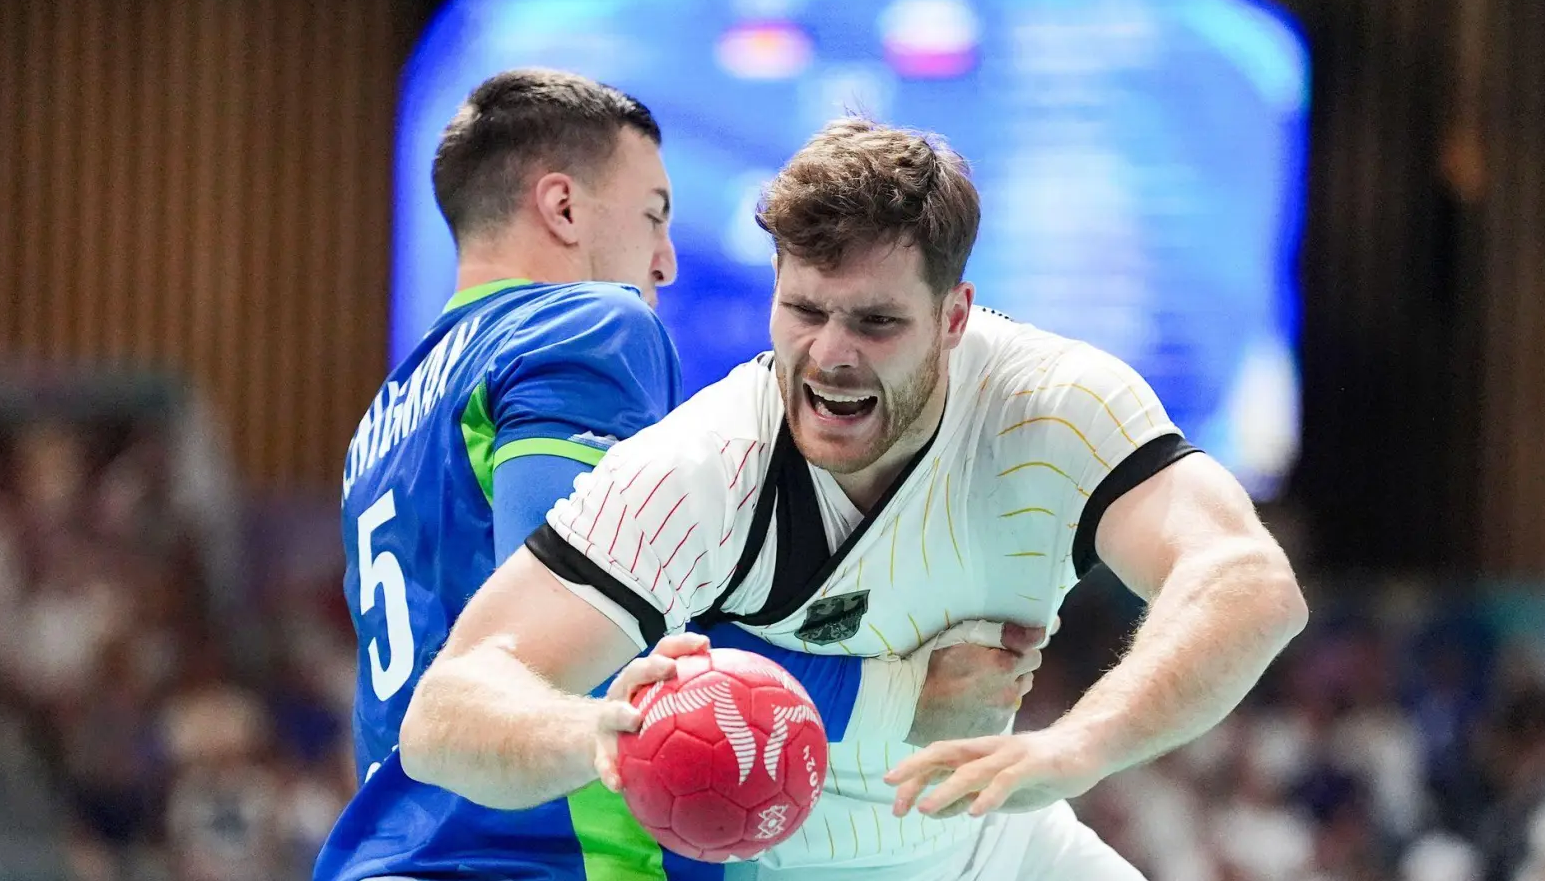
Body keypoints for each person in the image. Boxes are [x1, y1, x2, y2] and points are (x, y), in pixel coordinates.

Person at [400, 116, 1309, 881]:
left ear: (955, 317)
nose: (831, 355)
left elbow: (1247, 581)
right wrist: (593, 728)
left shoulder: (1054, 406)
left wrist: (1078, 746)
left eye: (876, 321)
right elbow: (446, 715)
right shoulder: (701, 467)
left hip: (1006, 848)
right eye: (805, 310)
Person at [315, 71, 1041, 881]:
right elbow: (594, 611)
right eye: (655, 216)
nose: (663, 262)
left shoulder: (388, 413)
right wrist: (896, 697)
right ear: (561, 208)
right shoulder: (585, 323)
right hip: (542, 858)